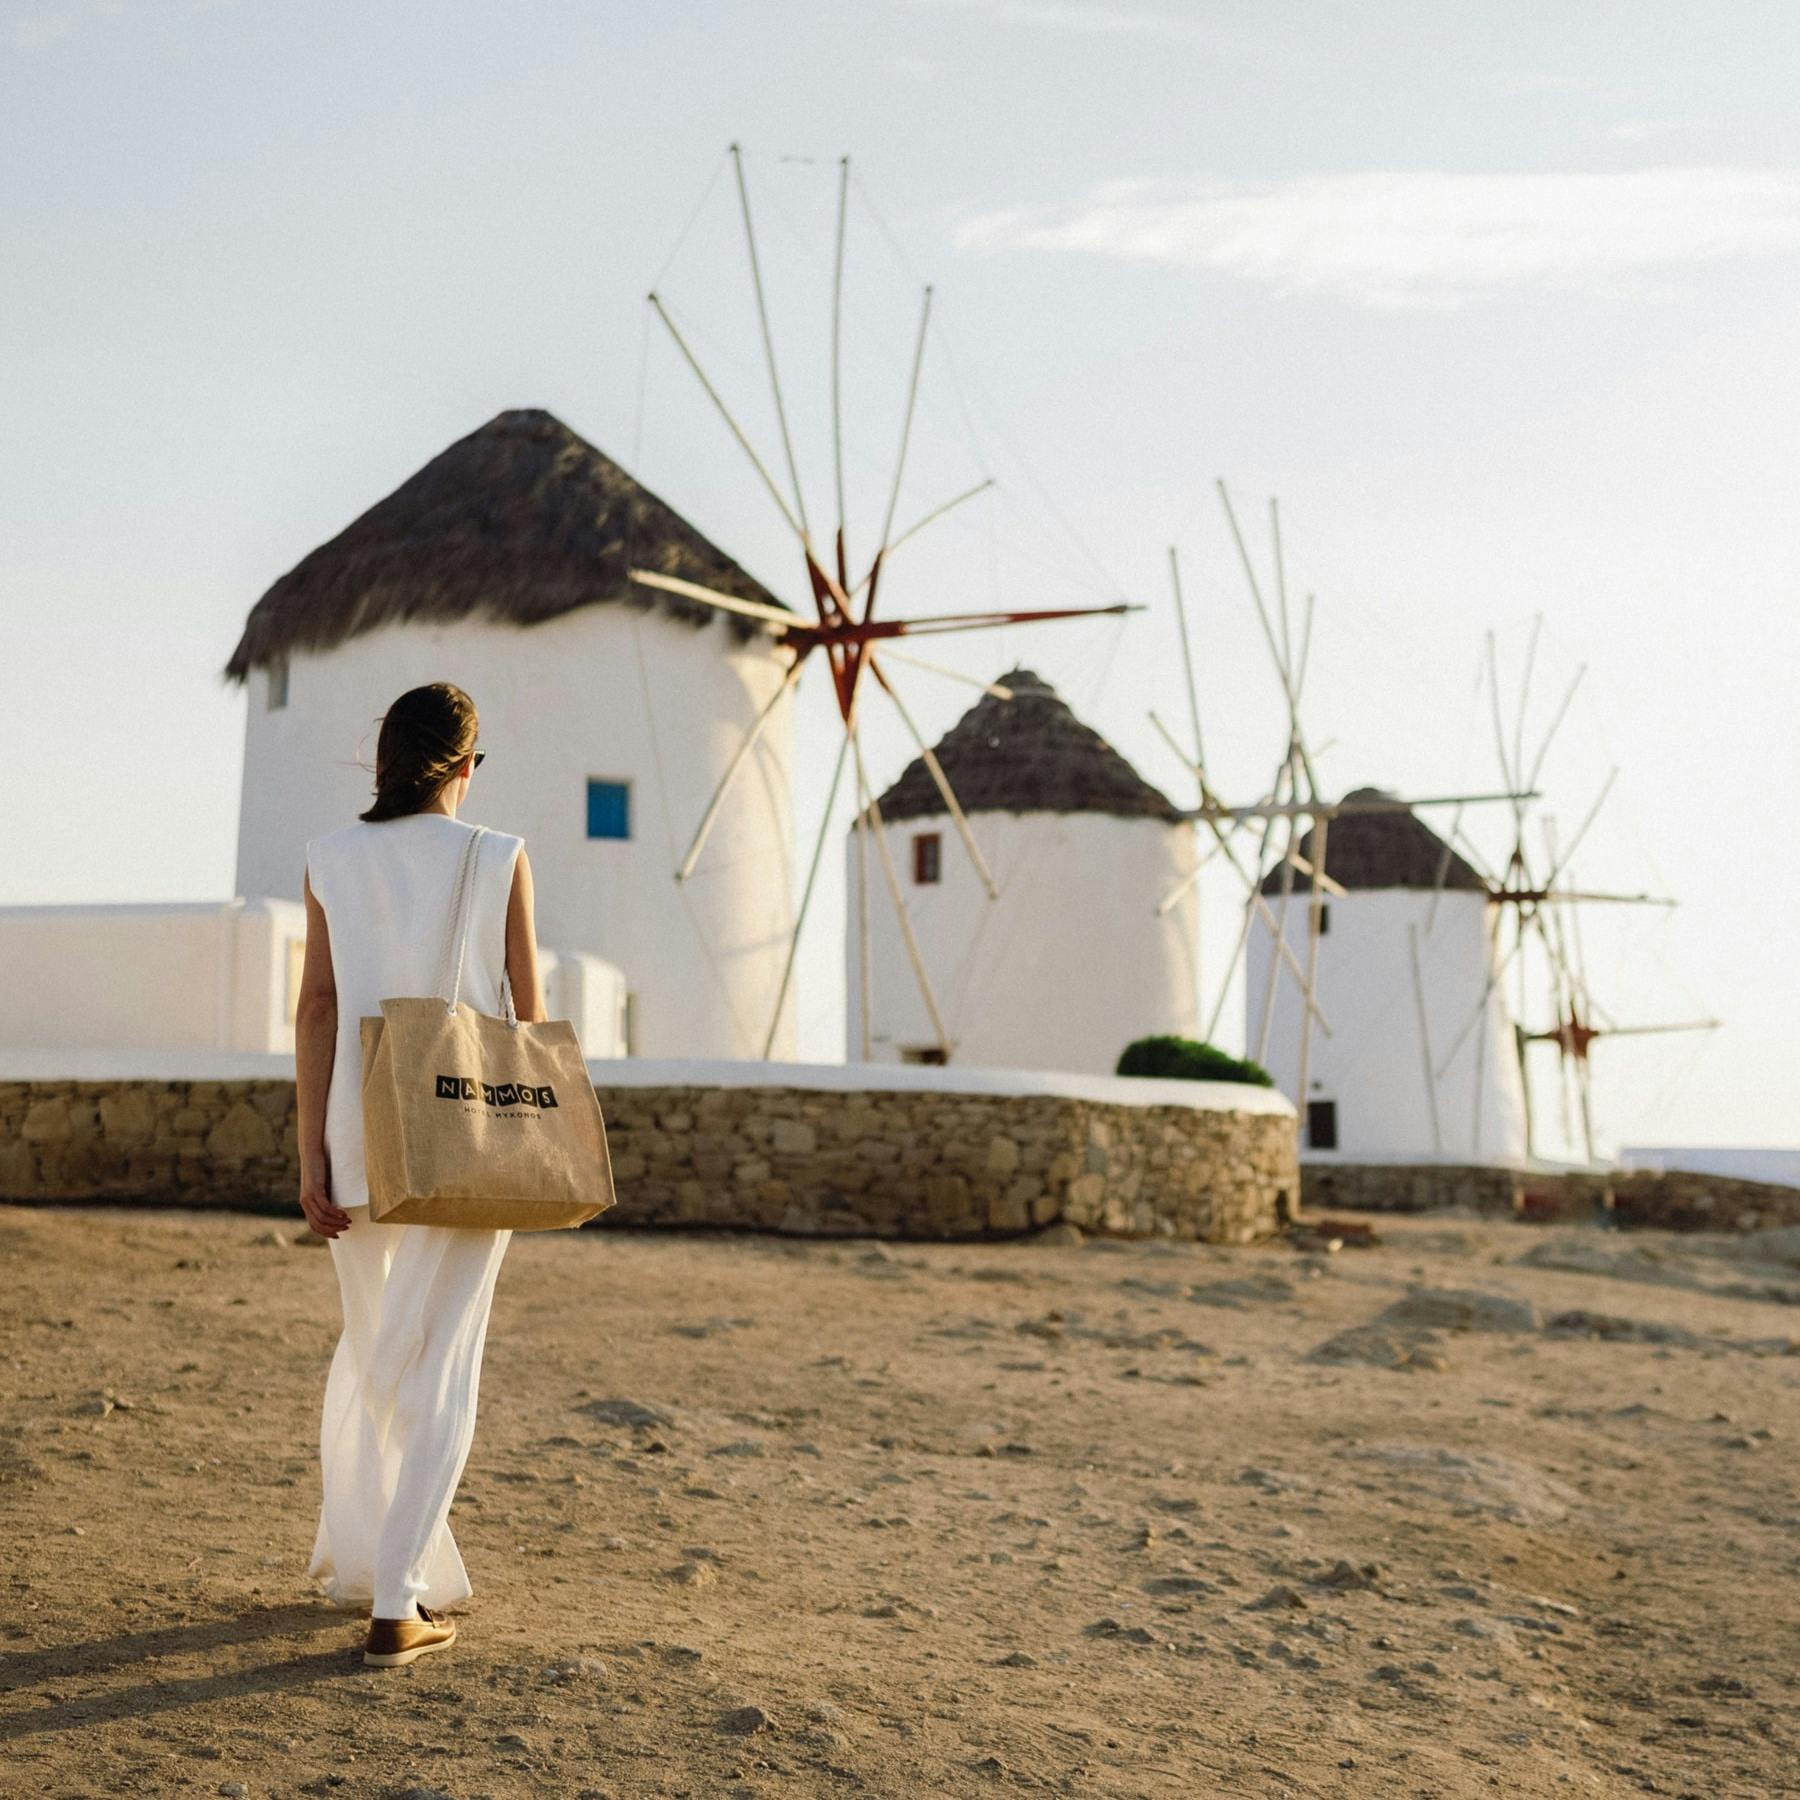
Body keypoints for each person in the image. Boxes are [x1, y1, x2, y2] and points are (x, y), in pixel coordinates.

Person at [292, 681, 545, 1668]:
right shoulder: (498, 858)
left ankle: (382, 1560)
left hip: (354, 1139)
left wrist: (308, 1149)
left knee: (378, 1351)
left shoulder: (329, 858)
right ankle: (396, 1598)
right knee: (440, 1366)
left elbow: (316, 1006)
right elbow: (525, 1017)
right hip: (461, 1137)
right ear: (467, 765)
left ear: (387, 761)